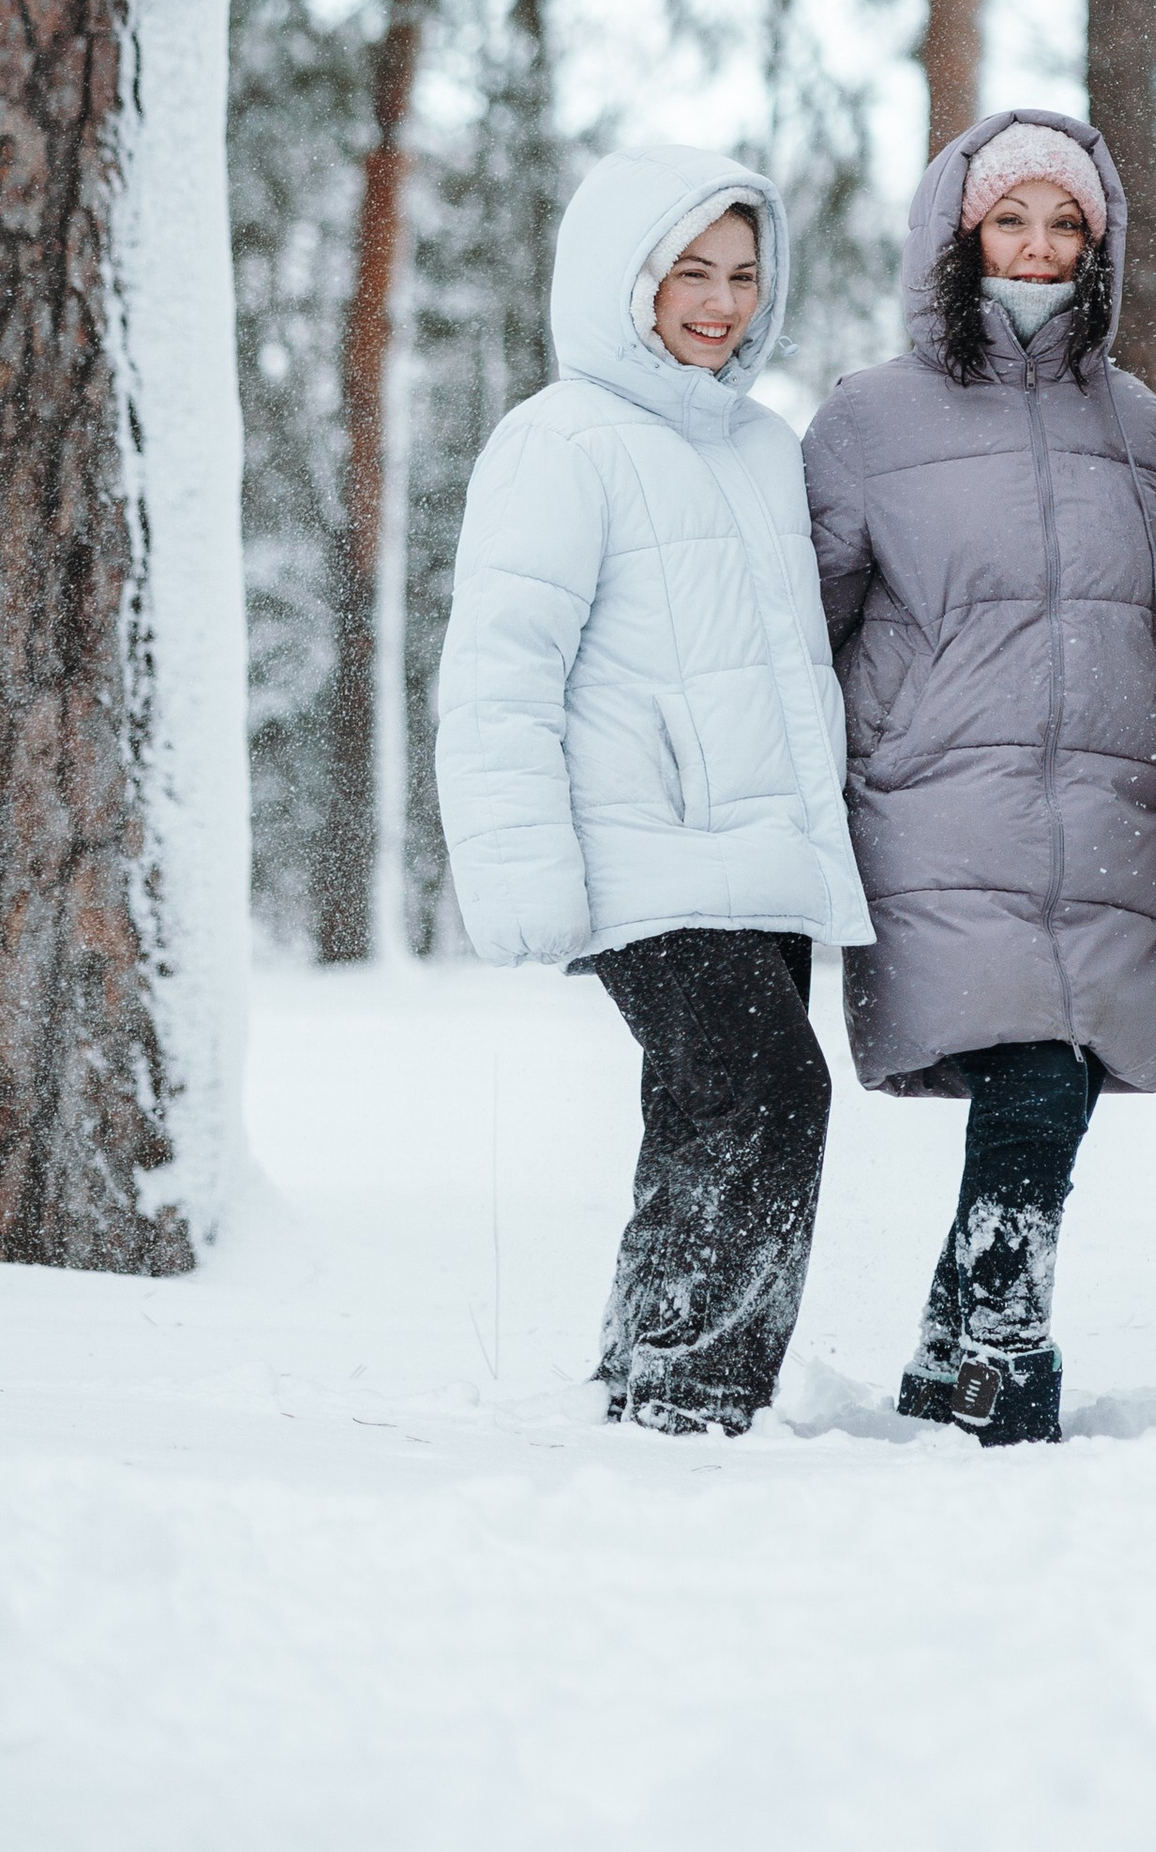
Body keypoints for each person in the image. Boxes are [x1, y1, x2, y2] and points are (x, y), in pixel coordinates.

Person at [801, 107, 1156, 1448]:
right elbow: (794, 627)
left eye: (1066, 222)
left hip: (1103, 824)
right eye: (1010, 218)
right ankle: (1006, 1363)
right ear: (957, 233)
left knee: (1054, 1091)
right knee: (1035, 1084)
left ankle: (944, 1369)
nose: (1038, 247)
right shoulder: (868, 422)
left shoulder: (1137, 422)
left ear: (1099, 245)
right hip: (939, 810)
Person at [435, 147, 870, 1437]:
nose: (720, 301)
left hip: (761, 863)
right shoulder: (557, 441)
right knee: (773, 1095)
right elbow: (500, 673)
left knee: (702, 1119)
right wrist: (524, 881)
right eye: (689, 271)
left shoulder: (761, 447)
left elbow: (791, 671)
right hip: (643, 855)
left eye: (743, 273)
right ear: (623, 279)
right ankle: (695, 1397)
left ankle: (646, 1373)